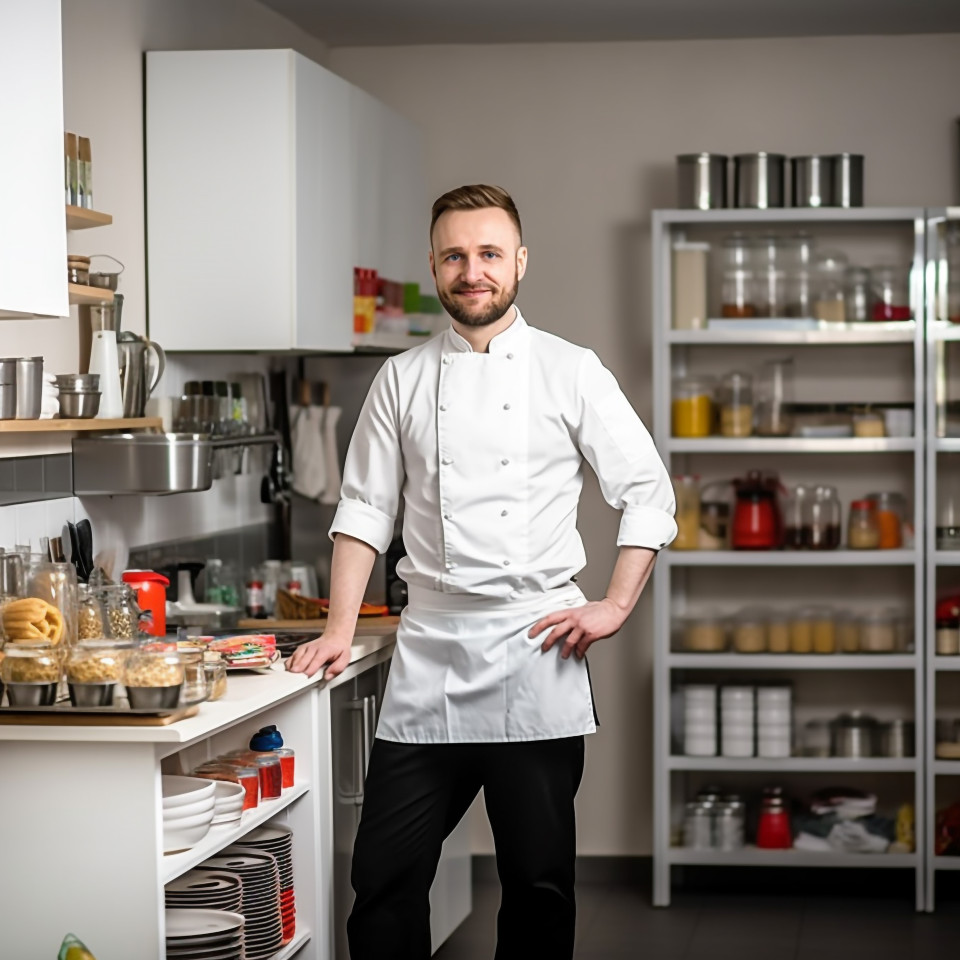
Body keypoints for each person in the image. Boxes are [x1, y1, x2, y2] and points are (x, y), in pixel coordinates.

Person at [287, 184, 676, 959]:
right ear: (433, 267)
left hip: (537, 649)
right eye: (456, 256)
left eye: (489, 253)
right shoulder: (399, 379)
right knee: (385, 876)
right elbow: (365, 509)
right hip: (431, 649)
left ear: (519, 262)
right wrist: (337, 628)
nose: (474, 271)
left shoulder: (572, 370)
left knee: (537, 884)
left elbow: (649, 493)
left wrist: (615, 605)